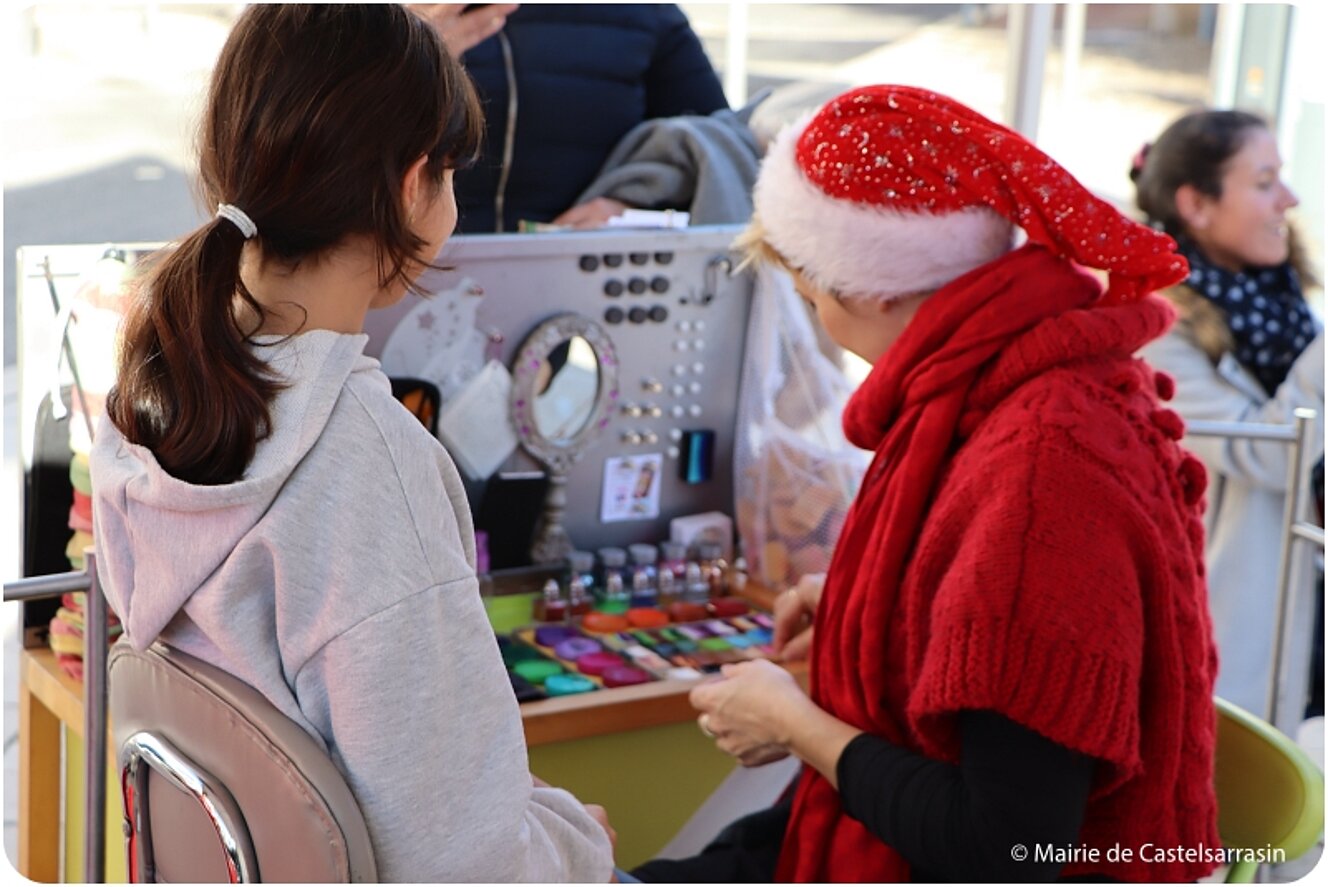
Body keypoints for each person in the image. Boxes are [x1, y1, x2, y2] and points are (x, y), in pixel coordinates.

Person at [633, 85, 1221, 883]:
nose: (814, 319)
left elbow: (1005, 850)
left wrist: (796, 723)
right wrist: (868, 615)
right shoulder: (1011, 384)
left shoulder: (1044, 470)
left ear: (867, 287)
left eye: (809, 296)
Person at [91, 6, 613, 881]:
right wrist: (579, 839)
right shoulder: (367, 466)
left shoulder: (154, 394)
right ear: (417, 186)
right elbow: (466, 866)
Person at [1132, 109, 1324, 719]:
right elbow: (1268, 452)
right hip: (1233, 633)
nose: (1287, 199)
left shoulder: (1280, 304)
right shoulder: (1161, 331)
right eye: (1265, 181)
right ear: (1196, 204)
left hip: (1301, 600)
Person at [414, 3, 729, 232]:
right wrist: (406, 49)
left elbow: (718, 147)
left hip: (587, 284)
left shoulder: (644, 13)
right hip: (410, 283)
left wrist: (632, 208)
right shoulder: (389, 18)